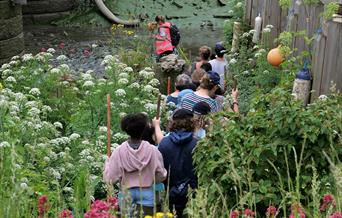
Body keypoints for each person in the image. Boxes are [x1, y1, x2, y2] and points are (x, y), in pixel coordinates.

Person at [103, 113, 167, 217]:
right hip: (147, 191)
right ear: (143, 129)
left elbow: (110, 178)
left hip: (126, 192)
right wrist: (151, 178)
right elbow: (161, 175)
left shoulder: (119, 151)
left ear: (126, 130)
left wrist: (107, 163)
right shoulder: (152, 150)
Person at [157, 109, 198, 218]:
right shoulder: (198, 144)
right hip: (192, 193)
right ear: (192, 122)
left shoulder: (164, 143)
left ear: (173, 122)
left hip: (169, 192)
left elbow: (160, 168)